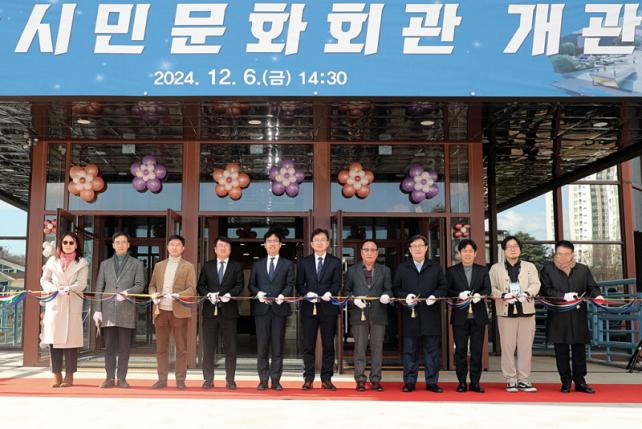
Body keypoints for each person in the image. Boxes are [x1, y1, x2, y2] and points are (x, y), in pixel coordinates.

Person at [540, 240, 603, 394]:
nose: (562, 257)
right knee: (561, 351)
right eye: (559, 254)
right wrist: (563, 296)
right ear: (555, 253)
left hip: (577, 315)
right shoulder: (548, 269)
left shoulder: (582, 269)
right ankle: (566, 382)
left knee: (579, 350)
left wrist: (597, 295)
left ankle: (580, 381)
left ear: (572, 254)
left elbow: (592, 287)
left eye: (566, 254)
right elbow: (545, 290)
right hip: (558, 315)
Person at [393, 234, 448, 393]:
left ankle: (432, 382)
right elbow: (396, 288)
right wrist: (405, 296)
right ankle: (410, 382)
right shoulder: (403, 268)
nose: (417, 249)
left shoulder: (435, 267)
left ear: (426, 248)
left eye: (420, 246)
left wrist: (435, 296)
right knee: (410, 351)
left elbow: (444, 287)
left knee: (432, 351)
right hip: (410, 316)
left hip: (431, 315)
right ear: (410, 250)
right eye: (414, 246)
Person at [93, 232, 145, 388]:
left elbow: (140, 285)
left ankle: (122, 378)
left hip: (126, 310)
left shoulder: (136, 264)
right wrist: (97, 309)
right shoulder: (105, 264)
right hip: (108, 310)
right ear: (113, 245)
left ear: (128, 245)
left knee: (124, 348)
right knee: (109, 347)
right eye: (117, 242)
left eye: (123, 242)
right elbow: (99, 287)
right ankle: (109, 378)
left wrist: (128, 292)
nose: (121, 245)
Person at [489, 236, 541, 393]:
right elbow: (491, 287)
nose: (513, 249)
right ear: (504, 250)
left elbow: (536, 284)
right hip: (506, 313)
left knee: (526, 348)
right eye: (509, 246)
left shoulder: (529, 267)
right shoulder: (495, 268)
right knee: (507, 348)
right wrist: (503, 295)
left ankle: (524, 379)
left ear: (520, 249)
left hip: (526, 312)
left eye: (516, 246)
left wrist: (527, 293)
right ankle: (511, 379)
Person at [40, 232, 89, 388]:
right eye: (65, 242)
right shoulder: (52, 260)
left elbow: (82, 283)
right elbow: (44, 280)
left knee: (71, 343)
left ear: (76, 245)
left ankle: (69, 375)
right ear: (60, 244)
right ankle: (56, 373)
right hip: (55, 303)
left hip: (72, 302)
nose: (68, 245)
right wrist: (53, 289)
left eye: (71, 242)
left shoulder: (82, 263)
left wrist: (69, 288)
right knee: (54, 340)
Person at [248, 229, 295, 391]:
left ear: (280, 245)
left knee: (277, 346)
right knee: (262, 346)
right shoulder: (257, 264)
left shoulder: (287, 264)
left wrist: (283, 295)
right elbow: (251, 284)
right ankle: (263, 380)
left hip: (279, 310)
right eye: (269, 241)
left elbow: (290, 284)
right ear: (265, 244)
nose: (272, 244)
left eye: (275, 241)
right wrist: (258, 293)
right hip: (261, 310)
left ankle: (275, 380)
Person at [148, 234, 197, 390]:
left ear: (183, 248)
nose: (174, 247)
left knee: (181, 348)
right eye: (172, 244)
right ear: (168, 247)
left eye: (178, 245)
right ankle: (162, 379)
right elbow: (152, 285)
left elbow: (192, 289)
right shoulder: (159, 265)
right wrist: (153, 295)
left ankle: (180, 380)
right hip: (161, 311)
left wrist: (178, 295)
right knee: (161, 348)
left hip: (179, 311)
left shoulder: (188, 266)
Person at [296, 228, 342, 390]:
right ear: (311, 243)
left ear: (328, 243)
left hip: (328, 308)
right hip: (309, 308)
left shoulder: (335, 262)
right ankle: (308, 378)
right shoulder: (304, 262)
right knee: (308, 344)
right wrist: (306, 293)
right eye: (317, 240)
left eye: (323, 240)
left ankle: (326, 378)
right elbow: (299, 284)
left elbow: (337, 283)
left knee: (328, 344)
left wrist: (331, 292)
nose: (320, 242)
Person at [344, 240, 392, 392]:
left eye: (373, 250)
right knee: (360, 348)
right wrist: (354, 299)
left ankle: (376, 379)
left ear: (377, 253)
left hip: (379, 313)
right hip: (359, 314)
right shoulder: (352, 271)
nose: (369, 253)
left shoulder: (385, 270)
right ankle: (360, 379)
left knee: (377, 348)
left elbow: (389, 290)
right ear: (361, 252)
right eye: (366, 250)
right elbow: (346, 291)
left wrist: (386, 295)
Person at [197, 236, 244, 390]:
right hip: (210, 312)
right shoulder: (208, 265)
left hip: (229, 312)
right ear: (215, 249)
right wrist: (208, 294)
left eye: (226, 246)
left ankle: (230, 379)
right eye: (220, 246)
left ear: (230, 249)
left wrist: (230, 294)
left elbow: (240, 285)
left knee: (231, 348)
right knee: (208, 347)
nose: (223, 248)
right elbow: (200, 285)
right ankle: (208, 379)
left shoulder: (236, 266)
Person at [446, 239, 491, 393]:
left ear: (475, 253)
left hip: (478, 317)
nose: (467, 254)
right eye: (464, 251)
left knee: (477, 351)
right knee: (460, 351)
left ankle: (475, 382)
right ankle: (461, 382)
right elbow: (447, 290)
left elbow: (488, 289)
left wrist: (480, 295)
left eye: (470, 251)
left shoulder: (482, 270)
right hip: (460, 317)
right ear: (459, 253)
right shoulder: (452, 271)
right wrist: (458, 294)